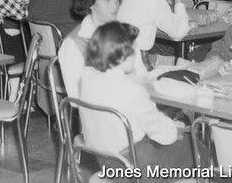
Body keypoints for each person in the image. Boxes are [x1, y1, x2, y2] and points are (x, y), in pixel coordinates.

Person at [79, 21, 194, 179]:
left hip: (103, 160)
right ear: (124, 55)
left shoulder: (87, 78)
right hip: (136, 164)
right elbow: (165, 136)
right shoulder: (132, 90)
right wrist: (175, 127)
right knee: (196, 145)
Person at [58, 0, 121, 98]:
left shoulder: (122, 32)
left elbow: (140, 75)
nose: (114, 6)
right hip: (102, 112)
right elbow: (76, 97)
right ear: (90, 3)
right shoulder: (73, 44)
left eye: (117, 0)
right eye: (107, 0)